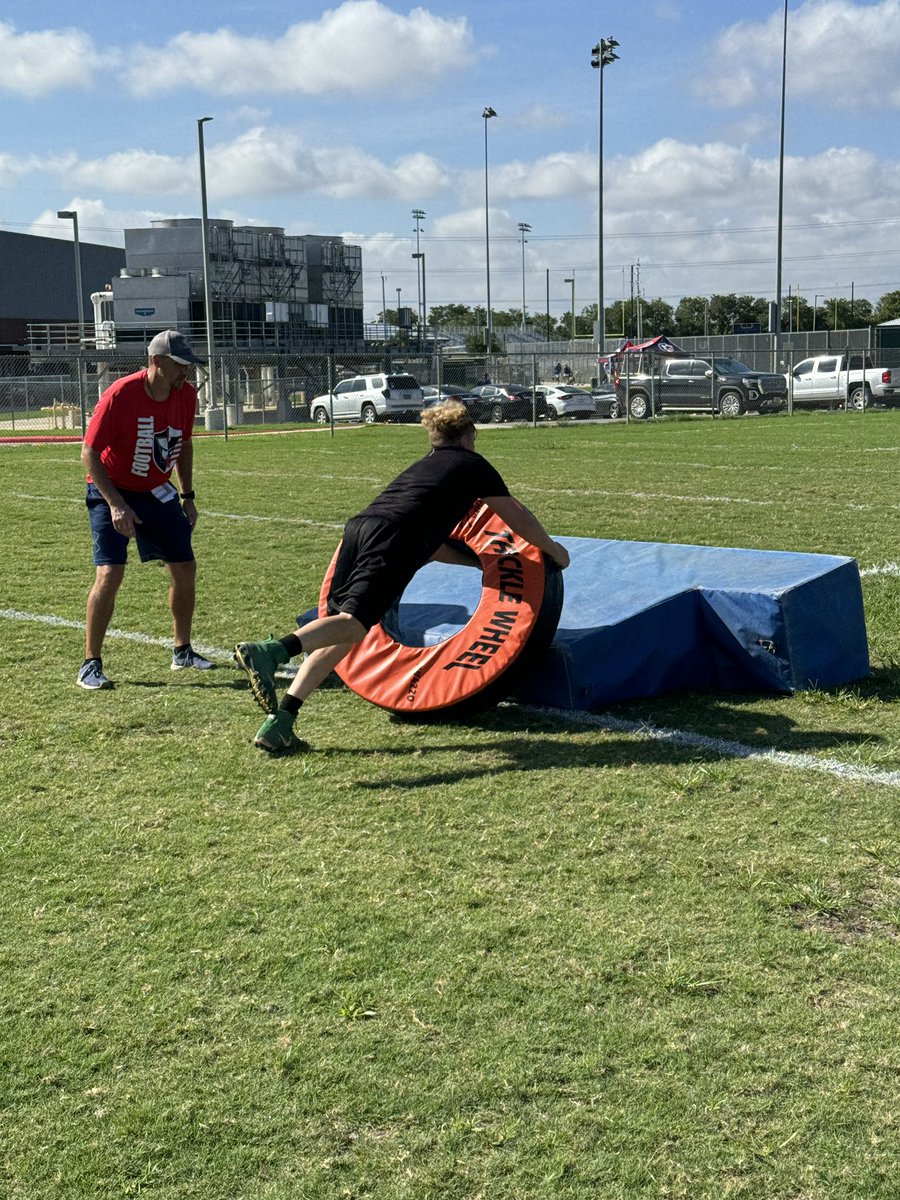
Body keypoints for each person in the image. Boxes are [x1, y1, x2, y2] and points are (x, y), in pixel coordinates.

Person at [235, 400, 570, 754]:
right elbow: (515, 517)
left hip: (359, 529)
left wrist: (477, 564)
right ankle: (271, 652)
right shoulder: (472, 465)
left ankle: (281, 723)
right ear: (467, 435)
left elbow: (430, 546)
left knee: (340, 633)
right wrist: (552, 549)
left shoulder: (425, 467)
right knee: (353, 624)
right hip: (393, 536)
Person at [76, 329, 214, 689]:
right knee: (110, 574)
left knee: (185, 567)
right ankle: (90, 664)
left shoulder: (185, 395)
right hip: (112, 489)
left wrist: (188, 496)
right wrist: (116, 504)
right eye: (180, 365)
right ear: (157, 361)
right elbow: (89, 453)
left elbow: (183, 444)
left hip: (155, 489)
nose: (187, 372)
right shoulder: (122, 394)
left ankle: (182, 651)